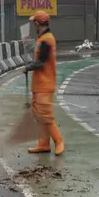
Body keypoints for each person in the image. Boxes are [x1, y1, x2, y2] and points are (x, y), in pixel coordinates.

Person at [24, 10, 65, 156]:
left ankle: (58, 141)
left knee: (45, 116)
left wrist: (28, 67)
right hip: (39, 84)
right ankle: (43, 144)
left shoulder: (47, 40)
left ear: (37, 24)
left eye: (33, 23)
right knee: (39, 114)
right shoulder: (42, 38)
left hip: (44, 84)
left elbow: (41, 62)